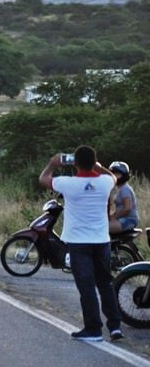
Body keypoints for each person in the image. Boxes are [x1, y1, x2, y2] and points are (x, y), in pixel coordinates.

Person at [39, 146, 123, 342]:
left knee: (86, 286)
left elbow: (43, 179)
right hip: (101, 240)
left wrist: (53, 163)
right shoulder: (104, 182)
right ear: (94, 161)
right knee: (105, 283)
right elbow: (113, 177)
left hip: (78, 242)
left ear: (75, 163)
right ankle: (115, 326)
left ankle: (93, 329)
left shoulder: (68, 183)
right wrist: (99, 167)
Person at [108, 161, 139, 234]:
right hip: (118, 218)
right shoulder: (114, 189)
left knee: (104, 228)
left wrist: (114, 217)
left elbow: (127, 208)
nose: (114, 176)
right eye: (113, 174)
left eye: (117, 174)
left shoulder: (125, 189)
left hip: (129, 220)